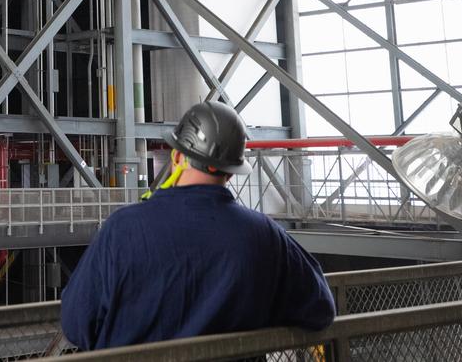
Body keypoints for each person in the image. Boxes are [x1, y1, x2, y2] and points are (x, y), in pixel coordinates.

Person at [60, 101, 335, 350]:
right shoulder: (265, 234)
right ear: (230, 173)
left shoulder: (123, 229)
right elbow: (320, 309)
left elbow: (75, 323)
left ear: (178, 157)